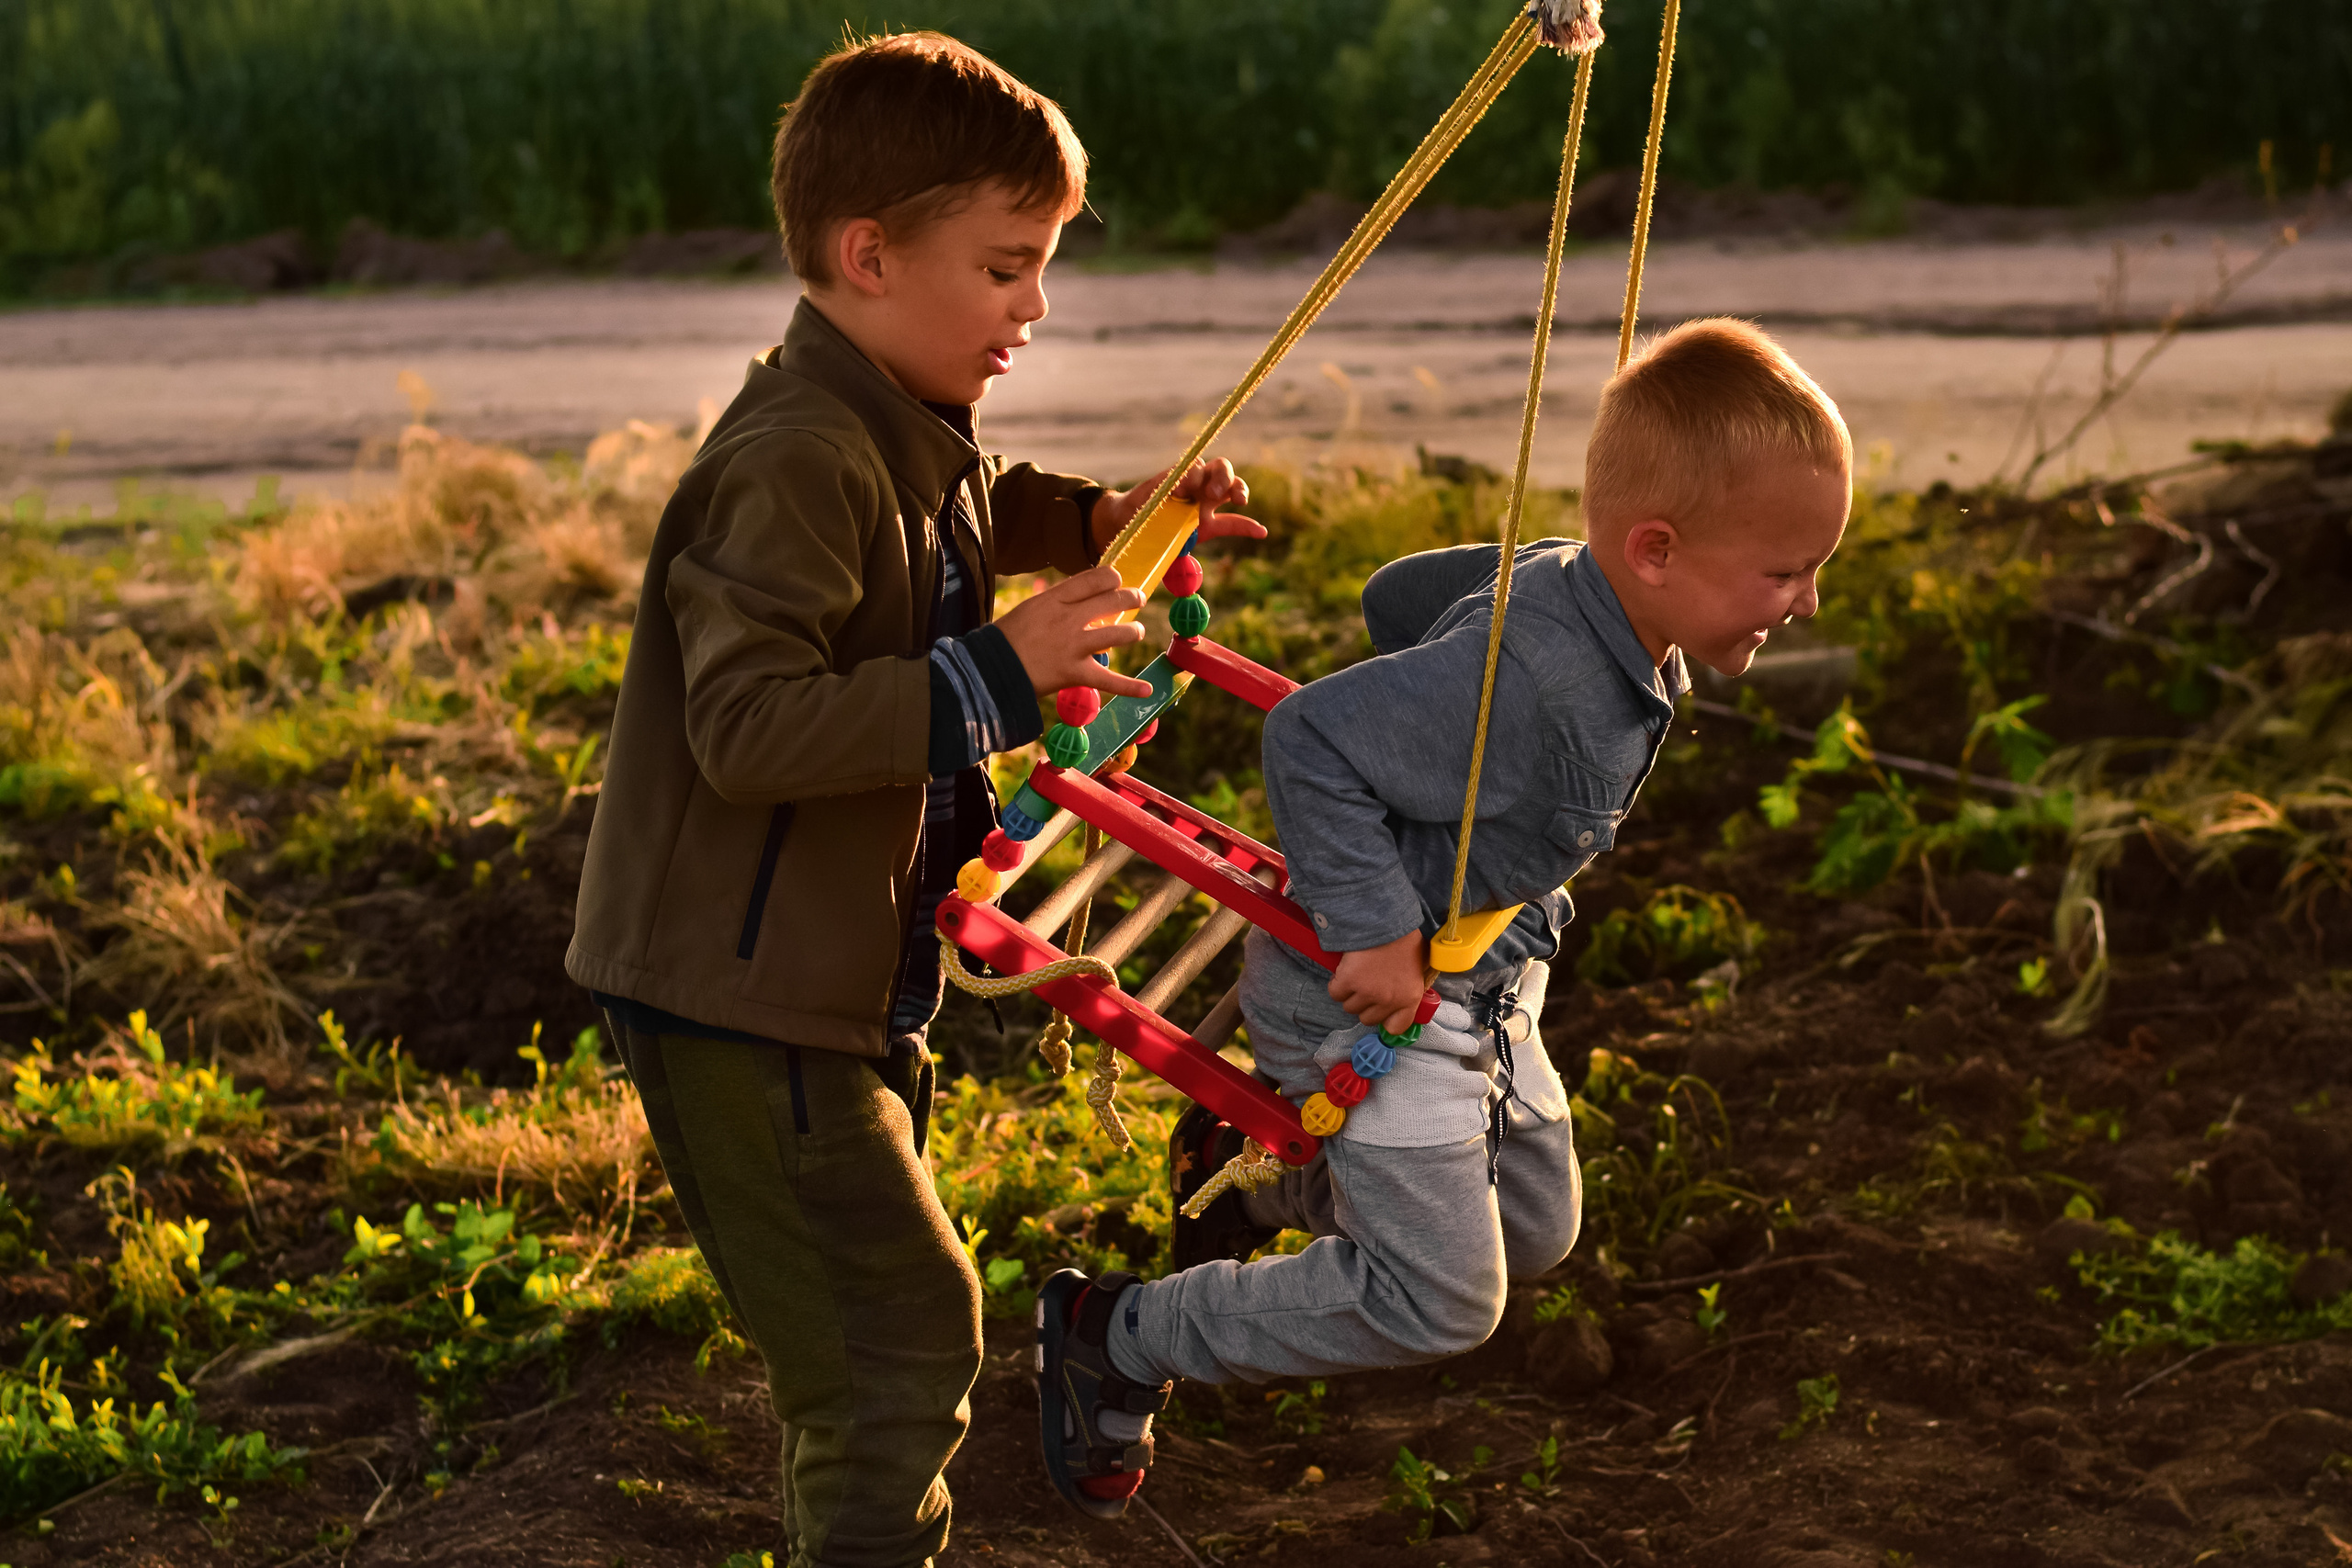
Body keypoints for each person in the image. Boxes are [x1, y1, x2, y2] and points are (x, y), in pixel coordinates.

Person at [564, 32, 1261, 1568]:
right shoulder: (802, 455)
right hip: (742, 995)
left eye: (1044, 266)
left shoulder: (882, 415)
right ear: (870, 255)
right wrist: (994, 678)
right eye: (1008, 268)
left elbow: (970, 500)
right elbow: (744, 727)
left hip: (829, 968)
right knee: (892, 1351)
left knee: (886, 1323)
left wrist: (1091, 516)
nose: (1036, 307)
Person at [1036, 317, 1851, 1515]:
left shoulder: (1601, 595)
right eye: (1784, 571)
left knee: (1535, 1228)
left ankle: (1255, 1183)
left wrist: (1446, 711)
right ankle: (1118, 1334)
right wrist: (1373, 924)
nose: (1808, 599)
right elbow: (1309, 734)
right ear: (1659, 548)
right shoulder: (1547, 684)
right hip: (1373, 991)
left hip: (1486, 969)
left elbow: (1398, 594)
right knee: (1446, 1300)